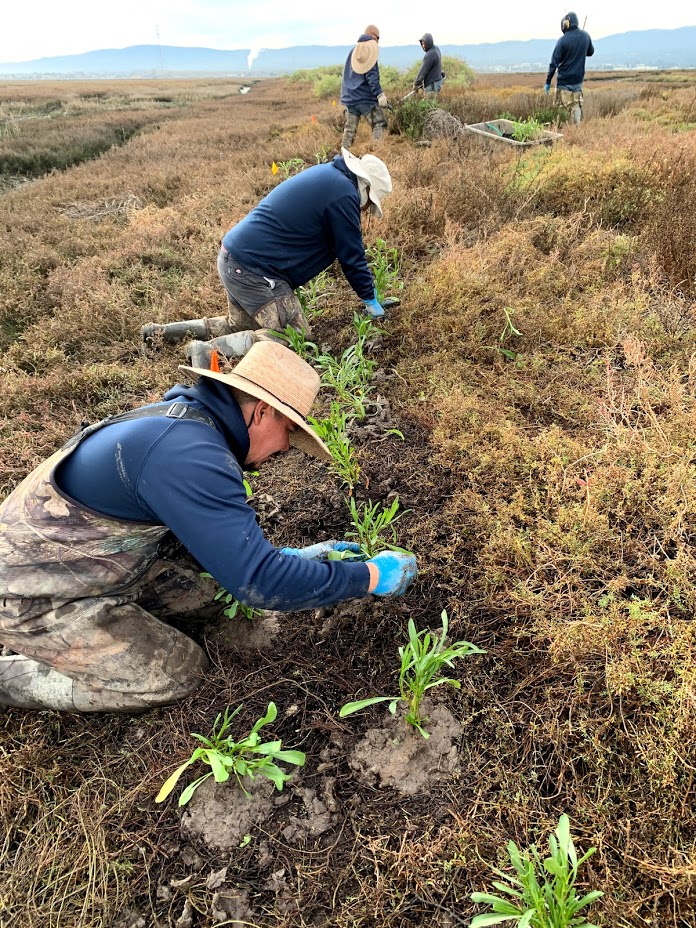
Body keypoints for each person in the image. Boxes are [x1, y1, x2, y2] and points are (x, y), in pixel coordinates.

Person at [0, 342, 417, 712]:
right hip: (33, 594)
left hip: (96, 560)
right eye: (289, 430)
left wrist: (286, 560)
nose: (287, 446)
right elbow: (262, 585)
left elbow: (220, 550)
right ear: (262, 412)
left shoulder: (185, 427)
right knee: (176, 673)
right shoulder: (190, 455)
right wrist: (371, 576)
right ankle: (13, 672)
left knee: (211, 594)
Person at [141, 148, 392, 367]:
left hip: (235, 259)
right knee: (296, 339)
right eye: (369, 204)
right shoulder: (343, 193)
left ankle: (159, 334)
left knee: (238, 326)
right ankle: (206, 353)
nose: (366, 210)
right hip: (255, 271)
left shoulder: (330, 178)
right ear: (366, 186)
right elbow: (352, 254)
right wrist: (370, 300)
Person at [340, 25, 389, 150]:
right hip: (364, 98)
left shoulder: (354, 51)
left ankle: (343, 156)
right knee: (379, 123)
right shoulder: (369, 50)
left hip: (349, 98)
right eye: (378, 38)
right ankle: (376, 152)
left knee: (349, 130)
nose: (378, 41)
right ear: (373, 35)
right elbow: (372, 77)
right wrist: (379, 94)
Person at [545, 12, 594, 125]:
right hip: (577, 82)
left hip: (564, 83)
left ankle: (562, 136)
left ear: (566, 24)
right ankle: (576, 134)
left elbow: (553, 64)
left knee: (560, 114)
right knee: (576, 109)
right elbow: (590, 52)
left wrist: (548, 82)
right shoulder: (585, 36)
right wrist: (581, 47)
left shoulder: (562, 41)